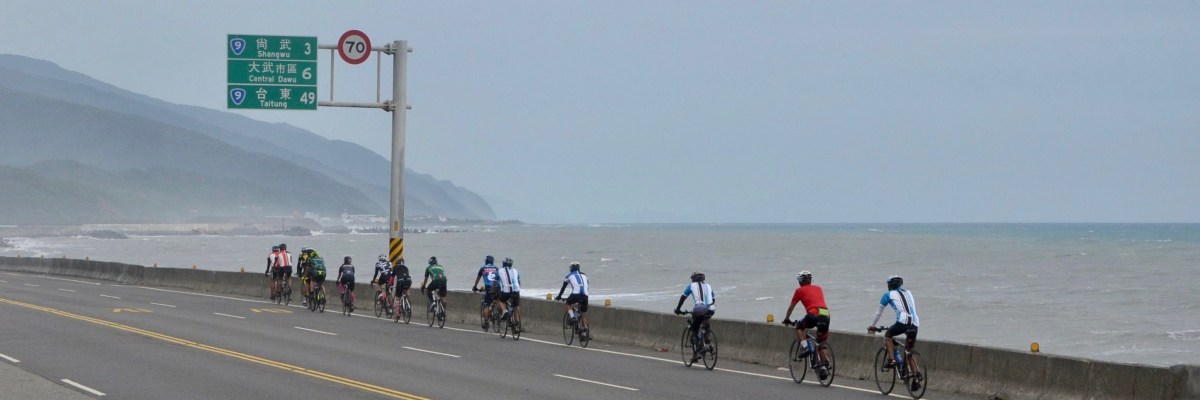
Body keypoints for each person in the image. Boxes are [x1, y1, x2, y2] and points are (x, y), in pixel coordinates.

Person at [868, 274, 920, 390]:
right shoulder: (908, 292)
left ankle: (891, 360)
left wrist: (873, 326)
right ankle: (916, 378)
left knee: (888, 335)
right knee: (909, 351)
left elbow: (878, 313)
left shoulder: (888, 294)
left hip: (902, 322)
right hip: (915, 324)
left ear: (889, 285)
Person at [782, 271, 831, 380]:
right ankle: (823, 367)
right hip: (825, 315)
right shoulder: (818, 288)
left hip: (813, 314)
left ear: (800, 281)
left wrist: (787, 318)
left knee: (799, 327)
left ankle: (805, 347)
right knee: (820, 342)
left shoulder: (799, 290)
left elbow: (791, 307)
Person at [673, 271, 716, 362]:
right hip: (711, 309)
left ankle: (696, 353)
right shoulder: (709, 286)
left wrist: (678, 309)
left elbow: (683, 297)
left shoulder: (691, 286)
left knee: (694, 328)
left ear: (693, 279)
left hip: (699, 308)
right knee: (705, 318)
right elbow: (713, 299)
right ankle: (707, 335)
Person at [555, 262, 589, 337]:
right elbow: (587, 285)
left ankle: (573, 317)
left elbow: (563, 288)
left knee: (568, 303)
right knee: (582, 313)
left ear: (571, 269)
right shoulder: (584, 275)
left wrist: (559, 296)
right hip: (585, 295)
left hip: (576, 294)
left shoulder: (569, 276)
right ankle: (584, 332)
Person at [471, 255, 500, 330]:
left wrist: (475, 287)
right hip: (497, 287)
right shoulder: (496, 268)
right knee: (496, 300)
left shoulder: (483, 268)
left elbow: (478, 279)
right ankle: (496, 310)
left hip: (489, 287)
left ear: (486, 261)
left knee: (486, 304)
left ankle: (486, 322)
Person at [495, 257, 521, 331]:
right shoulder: (515, 270)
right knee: (516, 307)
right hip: (516, 290)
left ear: (503, 264)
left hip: (506, 290)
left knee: (501, 301)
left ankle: (504, 311)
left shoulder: (500, 271)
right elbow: (519, 282)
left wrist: (492, 291)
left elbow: (495, 282)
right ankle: (517, 325)